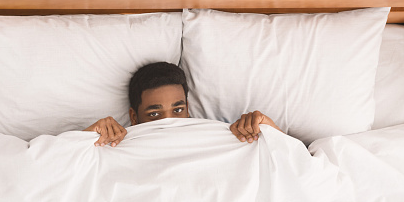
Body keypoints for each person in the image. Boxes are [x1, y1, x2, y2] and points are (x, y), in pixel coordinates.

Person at [84, 62, 281, 147]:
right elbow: (57, 169)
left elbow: (300, 165)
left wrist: (266, 128)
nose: (169, 122)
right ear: (134, 117)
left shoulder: (225, 136)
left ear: (188, 109)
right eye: (154, 114)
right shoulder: (115, 144)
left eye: (177, 110)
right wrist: (86, 138)